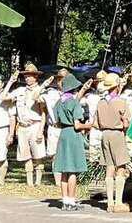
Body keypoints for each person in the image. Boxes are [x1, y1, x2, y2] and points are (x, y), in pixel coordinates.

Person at [53, 74, 92, 212]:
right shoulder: (74, 103)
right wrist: (89, 125)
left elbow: (57, 122)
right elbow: (77, 125)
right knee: (73, 170)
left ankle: (65, 201)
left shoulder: (59, 102)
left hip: (63, 134)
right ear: (74, 88)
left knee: (64, 170)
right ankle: (71, 200)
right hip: (73, 135)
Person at [6, 63, 47, 186]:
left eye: (30, 76)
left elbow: (44, 113)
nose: (27, 78)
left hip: (35, 125)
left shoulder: (41, 91)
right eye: (26, 76)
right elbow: (4, 97)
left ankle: (38, 181)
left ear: (36, 77)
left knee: (38, 154)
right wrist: (10, 82)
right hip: (22, 127)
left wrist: (41, 130)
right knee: (25, 155)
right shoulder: (20, 91)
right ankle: (29, 181)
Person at [96, 71, 131, 213]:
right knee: (120, 167)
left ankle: (109, 202)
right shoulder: (121, 102)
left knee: (109, 167)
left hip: (105, 134)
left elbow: (97, 123)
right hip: (117, 134)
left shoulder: (101, 102)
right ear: (117, 86)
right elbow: (126, 123)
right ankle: (118, 202)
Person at [40, 69, 64, 186]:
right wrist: (44, 85)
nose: (62, 82)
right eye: (59, 79)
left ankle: (66, 179)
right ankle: (58, 181)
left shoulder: (73, 94)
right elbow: (34, 97)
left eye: (64, 79)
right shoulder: (50, 93)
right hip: (54, 127)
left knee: (66, 154)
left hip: (66, 128)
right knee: (54, 155)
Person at [83, 71, 105, 162]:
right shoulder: (90, 96)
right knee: (93, 159)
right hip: (94, 130)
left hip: (106, 130)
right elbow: (76, 102)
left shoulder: (111, 97)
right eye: (99, 82)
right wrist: (84, 89)